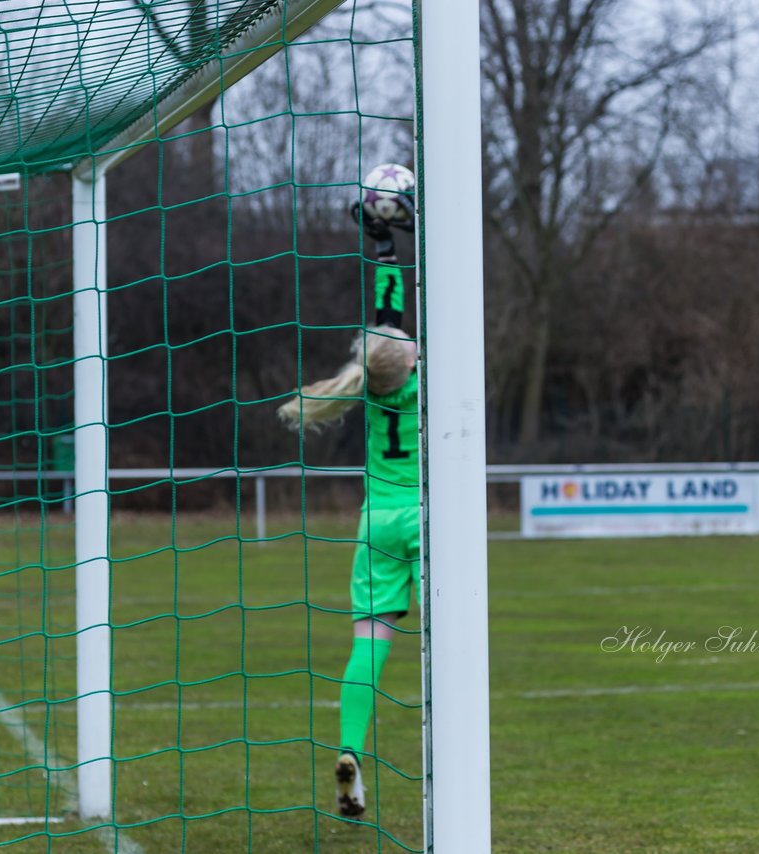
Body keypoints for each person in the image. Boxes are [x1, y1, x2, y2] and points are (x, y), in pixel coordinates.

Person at [277, 199, 418, 819]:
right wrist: (403, 245)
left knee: (368, 645)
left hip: (378, 522)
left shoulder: (375, 381)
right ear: (409, 360)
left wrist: (383, 247)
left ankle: (350, 753)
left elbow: (388, 325)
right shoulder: (428, 375)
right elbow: (401, 322)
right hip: (427, 516)